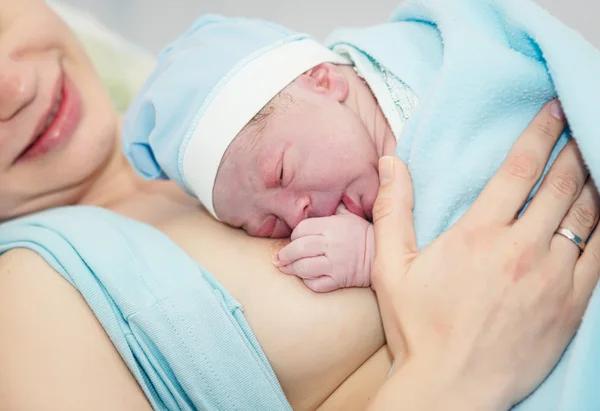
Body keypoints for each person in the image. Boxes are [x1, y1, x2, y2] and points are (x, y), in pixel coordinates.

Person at [0, 1, 597, 410]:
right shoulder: (20, 300)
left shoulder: (205, 106)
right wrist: (454, 372)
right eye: (267, 223)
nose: (12, 88)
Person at [123, 0, 600, 294]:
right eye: (265, 224)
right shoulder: (361, 209)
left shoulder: (451, 51)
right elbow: (481, 280)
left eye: (283, 173)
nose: (297, 217)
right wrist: (378, 257)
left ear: (323, 80)